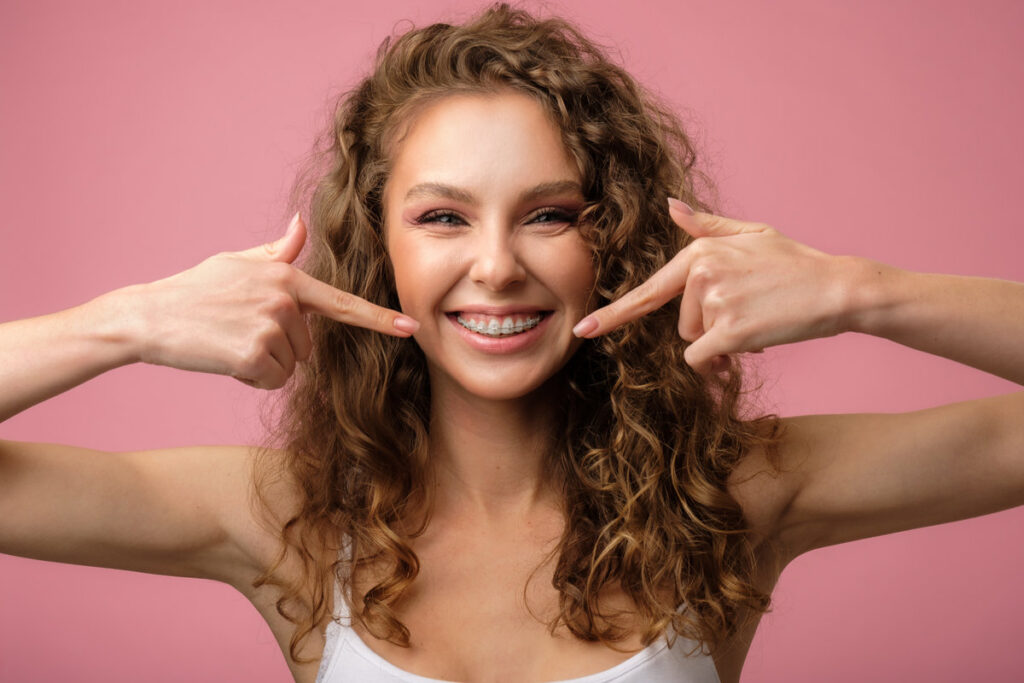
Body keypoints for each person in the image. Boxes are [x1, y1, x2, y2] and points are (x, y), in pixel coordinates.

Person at [1, 3, 1022, 682]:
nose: (495, 266)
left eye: (548, 215)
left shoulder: (735, 494)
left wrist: (859, 291)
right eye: (443, 217)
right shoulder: (286, 517)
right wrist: (127, 320)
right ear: (379, 246)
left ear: (615, 237)